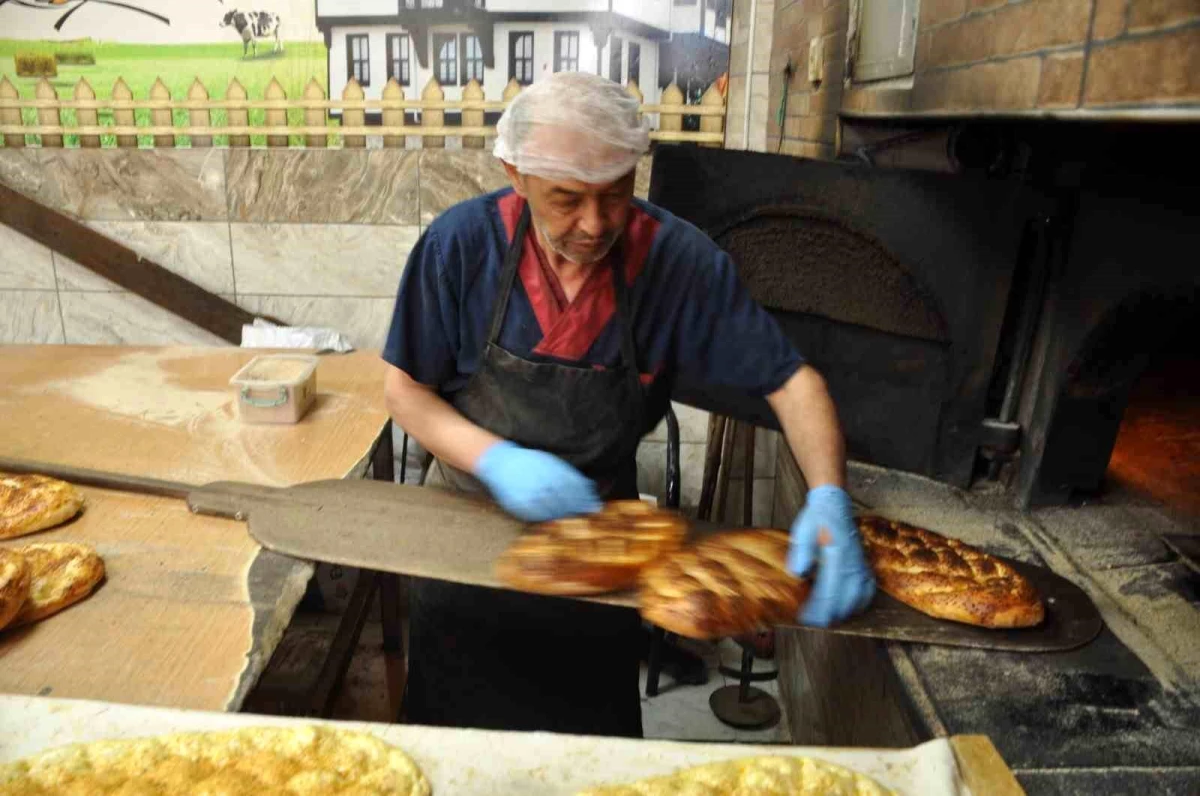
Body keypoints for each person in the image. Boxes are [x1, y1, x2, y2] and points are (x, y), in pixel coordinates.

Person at [382, 72, 875, 737]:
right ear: (515, 173)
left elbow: (793, 382)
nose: (594, 224)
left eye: (615, 195)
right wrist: (495, 460)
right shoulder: (460, 246)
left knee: (594, 759)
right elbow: (404, 389)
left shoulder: (678, 262)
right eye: (566, 199)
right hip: (468, 544)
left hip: (607, 551)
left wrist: (828, 496)